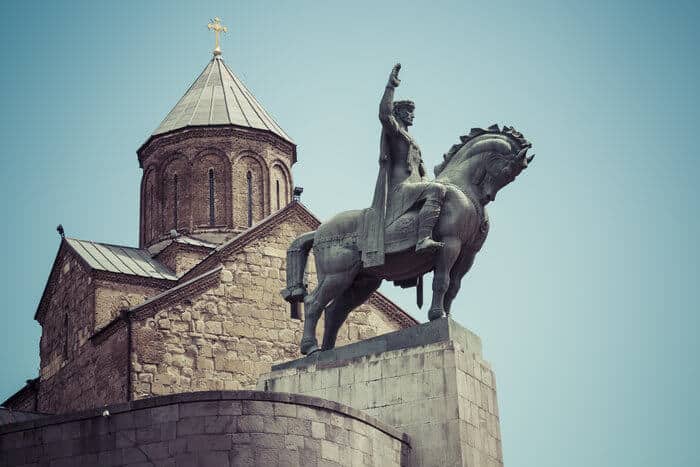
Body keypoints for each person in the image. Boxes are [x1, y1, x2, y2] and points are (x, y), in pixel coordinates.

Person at [362, 63, 447, 268]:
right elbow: (384, 114)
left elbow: (421, 172)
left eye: (413, 111)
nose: (413, 115)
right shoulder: (395, 132)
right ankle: (422, 239)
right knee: (437, 189)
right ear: (399, 113)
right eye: (409, 111)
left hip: (413, 187)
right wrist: (391, 87)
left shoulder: (412, 140)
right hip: (399, 190)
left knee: (441, 187)